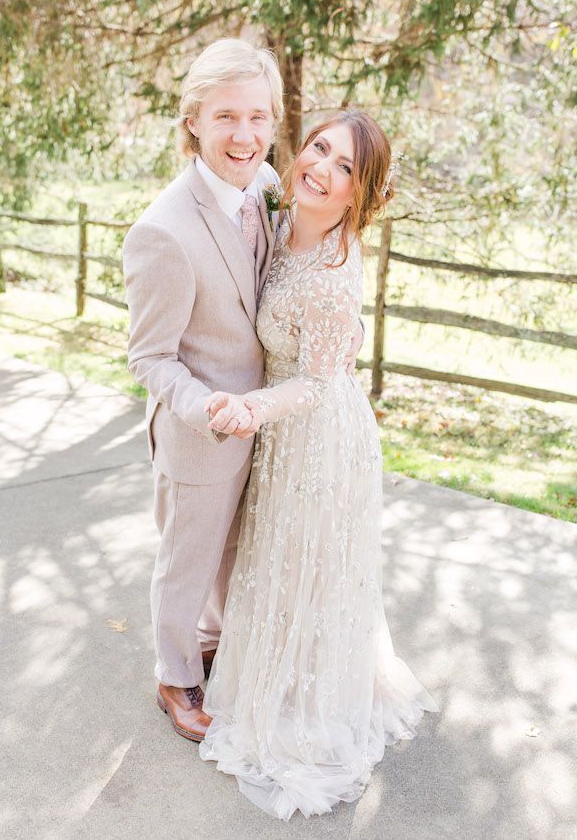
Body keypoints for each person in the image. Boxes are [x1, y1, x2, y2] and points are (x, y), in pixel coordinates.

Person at [199, 110, 438, 820]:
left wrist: (251, 410)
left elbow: (320, 383)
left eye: (344, 170)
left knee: (302, 569)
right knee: (272, 560)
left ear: (358, 197)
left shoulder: (333, 278)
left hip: (317, 439)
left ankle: (301, 702)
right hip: (282, 431)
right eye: (320, 149)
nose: (322, 169)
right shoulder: (276, 203)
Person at [122, 38, 362, 743]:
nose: (246, 134)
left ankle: (216, 642)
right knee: (187, 559)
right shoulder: (161, 231)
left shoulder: (263, 191)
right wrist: (207, 410)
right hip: (205, 434)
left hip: (272, 425)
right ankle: (175, 676)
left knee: (234, 554)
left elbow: (306, 277)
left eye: (259, 117)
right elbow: (149, 357)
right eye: (227, 116)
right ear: (193, 119)